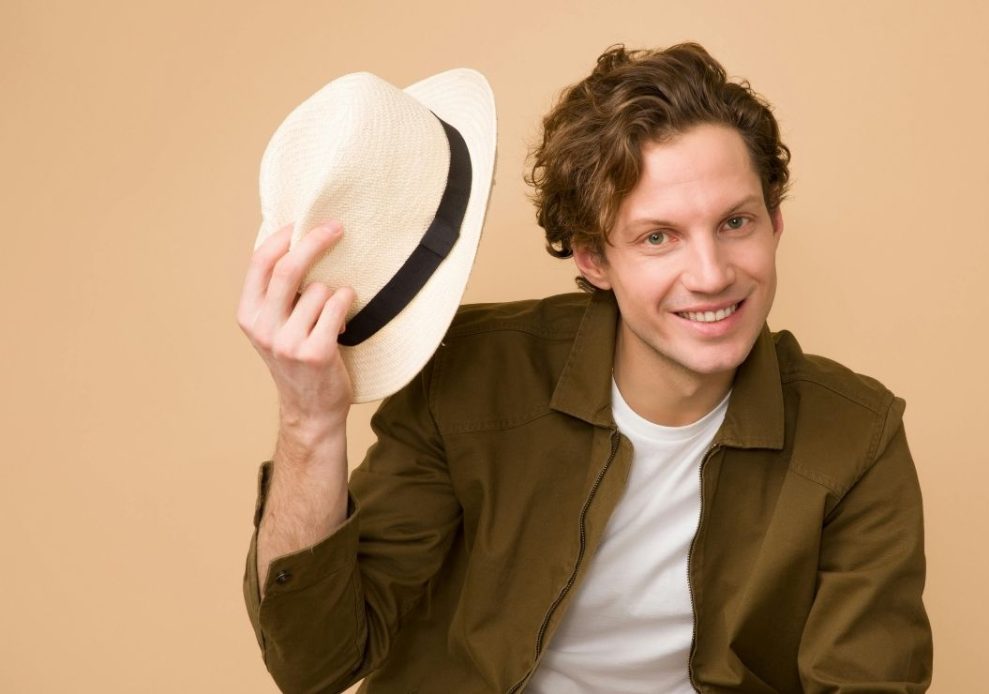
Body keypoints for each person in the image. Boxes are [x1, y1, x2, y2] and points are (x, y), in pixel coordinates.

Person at [237, 42, 932, 694]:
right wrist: (308, 423)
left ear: (774, 224)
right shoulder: (468, 377)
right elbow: (313, 662)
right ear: (593, 259)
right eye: (658, 237)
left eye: (735, 223)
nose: (712, 275)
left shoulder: (856, 436)